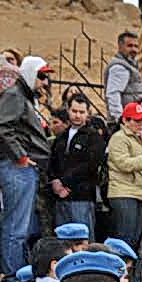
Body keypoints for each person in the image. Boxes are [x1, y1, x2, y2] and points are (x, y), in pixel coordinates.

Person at [0, 56, 53, 278]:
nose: (45, 82)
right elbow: (1, 126)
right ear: (30, 74)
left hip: (20, 166)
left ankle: (5, 274)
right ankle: (11, 277)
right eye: (42, 76)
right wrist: (20, 156)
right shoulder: (14, 95)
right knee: (16, 227)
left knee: (14, 225)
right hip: (16, 167)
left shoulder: (22, 97)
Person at [106, 102, 142, 250]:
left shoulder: (138, 138)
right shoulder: (119, 138)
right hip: (124, 193)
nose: (140, 123)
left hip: (140, 193)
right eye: (136, 120)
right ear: (125, 120)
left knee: (134, 241)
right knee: (125, 239)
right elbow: (124, 164)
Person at [48, 93, 103, 231]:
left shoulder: (93, 137)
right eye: (74, 111)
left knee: (81, 236)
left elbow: (90, 165)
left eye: (81, 112)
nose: (77, 115)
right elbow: (53, 161)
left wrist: (66, 184)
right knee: (62, 236)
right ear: (68, 110)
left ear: (88, 113)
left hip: (81, 196)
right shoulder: (62, 136)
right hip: (59, 196)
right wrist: (55, 181)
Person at [103, 31, 142, 119]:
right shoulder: (119, 67)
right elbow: (113, 94)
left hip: (133, 117)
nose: (134, 49)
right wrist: (120, 117)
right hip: (128, 119)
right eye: (130, 46)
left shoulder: (129, 64)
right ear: (120, 46)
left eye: (136, 46)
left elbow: (129, 87)